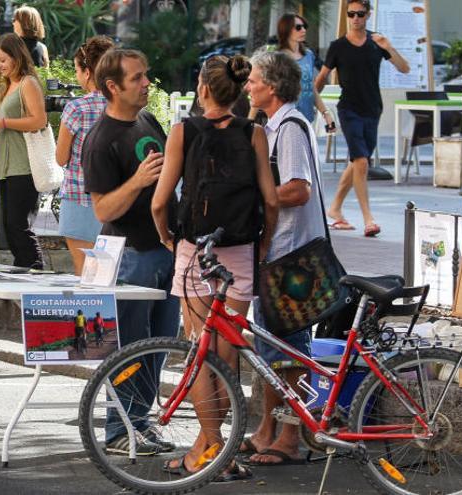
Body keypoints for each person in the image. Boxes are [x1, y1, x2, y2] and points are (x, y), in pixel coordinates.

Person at [152, 54, 278, 477]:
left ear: (203, 89)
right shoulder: (255, 133)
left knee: (200, 352)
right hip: (241, 249)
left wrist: (168, 236)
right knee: (228, 353)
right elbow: (271, 200)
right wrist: (264, 244)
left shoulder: (183, 131)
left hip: (195, 250)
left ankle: (212, 448)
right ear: (241, 90)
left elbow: (159, 200)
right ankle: (212, 446)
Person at [82, 48, 180, 455]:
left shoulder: (147, 119)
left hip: (165, 250)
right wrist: (138, 182)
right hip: (129, 256)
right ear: (112, 87)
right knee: (129, 348)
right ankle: (118, 430)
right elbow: (102, 209)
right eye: (137, 78)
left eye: (146, 75)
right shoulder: (100, 138)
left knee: (160, 343)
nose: (146, 84)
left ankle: (140, 422)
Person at [243, 50, 323, 466]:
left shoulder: (290, 127)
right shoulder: (272, 126)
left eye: (253, 79)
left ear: (271, 87)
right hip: (278, 253)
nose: (248, 85)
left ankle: (290, 435)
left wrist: (253, 198)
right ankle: (267, 429)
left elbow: (299, 189)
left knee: (292, 353)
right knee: (274, 348)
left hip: (293, 256)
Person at [314, 0, 409, 237]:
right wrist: (313, 103)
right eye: (351, 14)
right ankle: (369, 219)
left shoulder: (377, 43)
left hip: (373, 109)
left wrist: (389, 47)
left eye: (360, 14)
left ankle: (334, 208)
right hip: (349, 110)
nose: (355, 18)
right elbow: (322, 78)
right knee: (362, 162)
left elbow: (404, 68)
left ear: (368, 15)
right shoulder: (338, 46)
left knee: (358, 161)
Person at [0, 34, 46, 270]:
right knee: (10, 227)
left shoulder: (28, 83)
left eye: (2, 60)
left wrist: (5, 123)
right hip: (7, 166)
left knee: (19, 225)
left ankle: (34, 269)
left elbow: (38, 120)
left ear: (16, 56)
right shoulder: (10, 85)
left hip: (25, 166)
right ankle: (24, 270)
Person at [55, 35, 113, 275]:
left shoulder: (77, 108)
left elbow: (61, 158)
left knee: (86, 275)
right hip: (116, 200)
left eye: (77, 69)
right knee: (111, 275)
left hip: (80, 197)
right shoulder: (127, 106)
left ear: (87, 72)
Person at [275, 14, 334, 128]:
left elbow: (311, 87)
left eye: (304, 27)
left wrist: (325, 113)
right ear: (286, 30)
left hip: (307, 117)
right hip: (286, 118)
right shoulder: (278, 58)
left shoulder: (308, 55)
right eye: (298, 27)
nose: (303, 30)